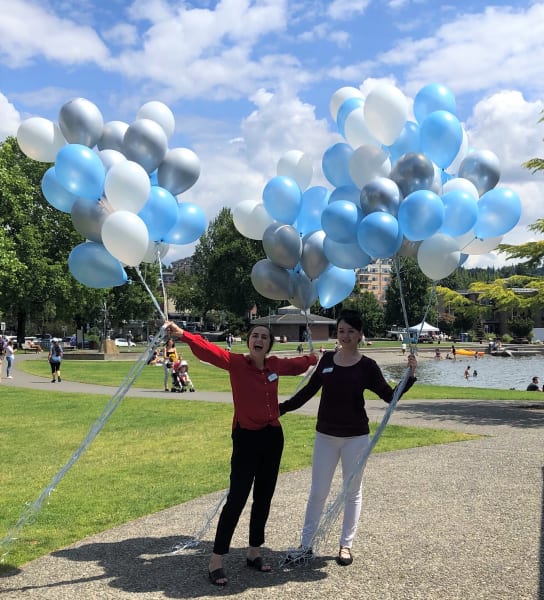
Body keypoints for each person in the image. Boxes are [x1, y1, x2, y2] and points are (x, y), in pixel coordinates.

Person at [165, 320, 317, 586]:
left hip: (272, 437)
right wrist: (183, 335)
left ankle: (254, 552)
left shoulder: (274, 366)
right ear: (249, 342)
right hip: (246, 438)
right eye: (254, 336)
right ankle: (216, 560)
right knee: (237, 498)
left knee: (264, 497)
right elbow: (207, 351)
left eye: (264, 337)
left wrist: (317, 357)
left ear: (269, 344)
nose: (258, 339)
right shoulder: (236, 363)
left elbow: (297, 364)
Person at [279, 309, 417, 567]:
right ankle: (306, 545)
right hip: (325, 436)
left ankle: (346, 545)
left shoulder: (367, 366)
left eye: (350, 331)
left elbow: (389, 396)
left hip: (355, 438)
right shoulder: (328, 360)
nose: (344, 336)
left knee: (352, 492)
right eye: (341, 331)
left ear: (360, 334)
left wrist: (409, 377)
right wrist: (283, 408)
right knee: (318, 491)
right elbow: (309, 391)